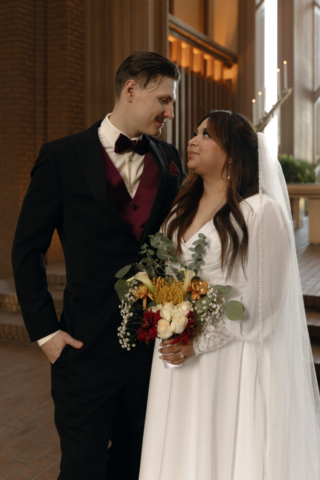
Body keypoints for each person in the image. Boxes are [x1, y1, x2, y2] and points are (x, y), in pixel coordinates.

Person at [12, 51, 185, 480]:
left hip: (147, 355)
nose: (169, 111)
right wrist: (46, 333)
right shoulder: (61, 157)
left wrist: (173, 319)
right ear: (131, 89)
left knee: (134, 464)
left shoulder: (169, 159)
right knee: (82, 468)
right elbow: (26, 249)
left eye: (171, 102)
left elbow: (169, 253)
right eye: (163, 99)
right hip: (82, 350)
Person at [138, 110, 320, 480]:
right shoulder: (179, 207)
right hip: (175, 358)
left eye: (206, 135)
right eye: (194, 132)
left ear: (233, 154)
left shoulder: (259, 212)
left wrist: (197, 343)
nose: (192, 140)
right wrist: (167, 319)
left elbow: (264, 306)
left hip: (227, 360)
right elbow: (169, 274)